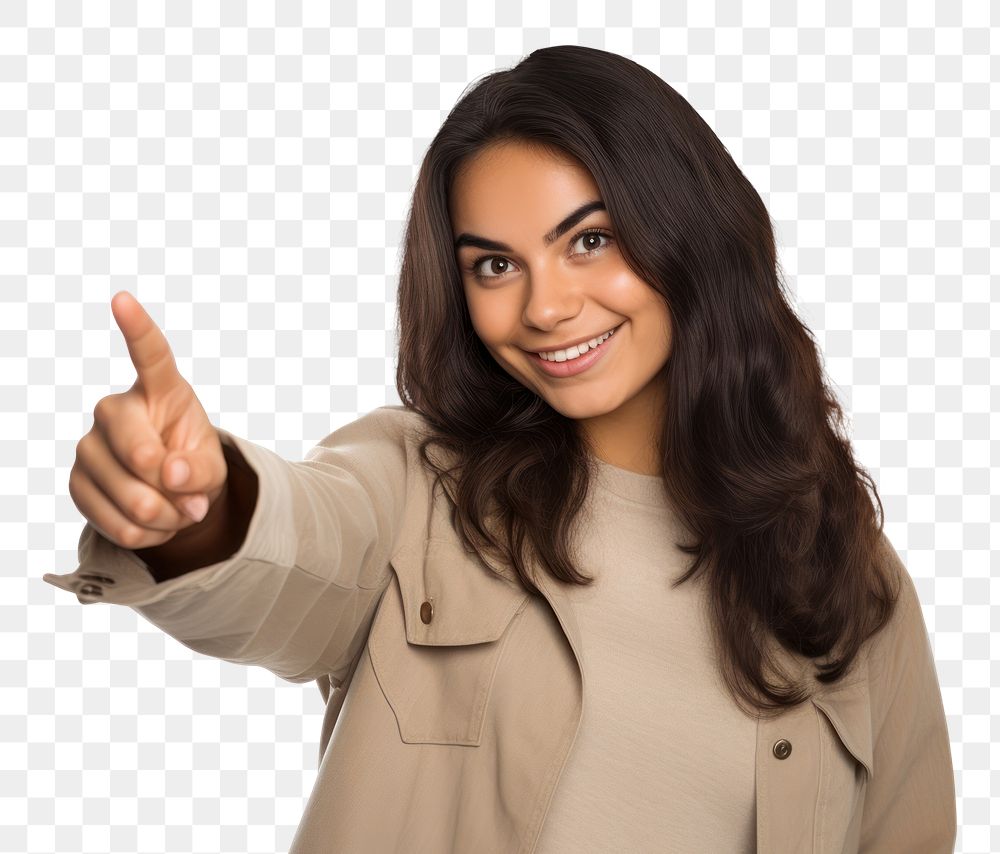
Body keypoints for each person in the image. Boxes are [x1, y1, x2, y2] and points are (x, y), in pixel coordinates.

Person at [44, 45, 956, 853]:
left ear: (691, 235)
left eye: (589, 240)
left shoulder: (851, 581)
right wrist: (201, 510)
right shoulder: (417, 488)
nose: (545, 307)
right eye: (495, 264)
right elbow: (297, 554)